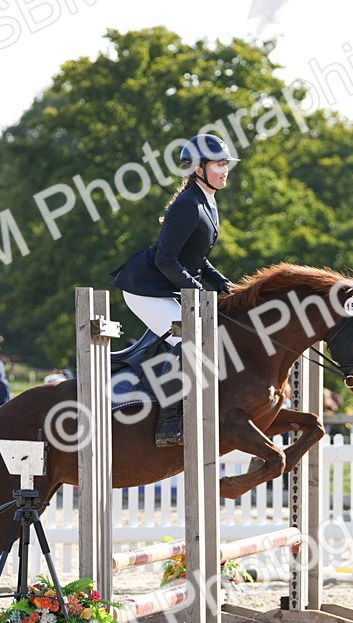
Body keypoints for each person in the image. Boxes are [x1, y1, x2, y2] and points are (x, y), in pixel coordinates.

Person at [111, 133, 237, 446]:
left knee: (204, 335)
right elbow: (166, 260)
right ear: (198, 169)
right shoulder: (186, 206)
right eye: (218, 165)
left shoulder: (207, 200)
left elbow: (195, 259)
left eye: (225, 164)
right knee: (188, 339)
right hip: (144, 289)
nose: (225, 171)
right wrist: (197, 293)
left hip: (166, 285)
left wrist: (222, 284)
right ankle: (168, 424)